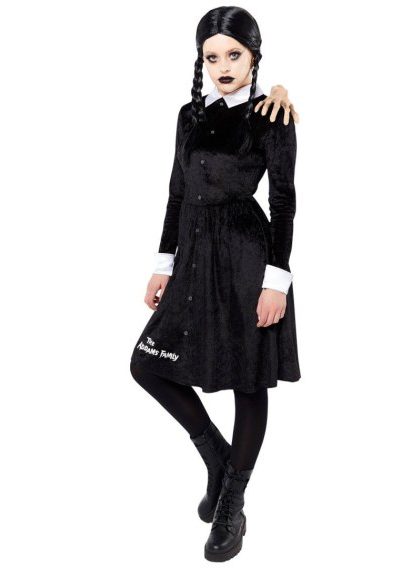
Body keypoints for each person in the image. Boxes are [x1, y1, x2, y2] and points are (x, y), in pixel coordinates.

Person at [130, 6, 301, 562]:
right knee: (146, 365)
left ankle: (233, 499)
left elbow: (283, 202)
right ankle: (217, 459)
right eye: (212, 57)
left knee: (248, 380)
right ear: (200, 61)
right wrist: (163, 263)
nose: (223, 66)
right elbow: (176, 193)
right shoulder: (188, 115)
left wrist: (276, 280)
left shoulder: (271, 115)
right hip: (194, 255)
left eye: (234, 54)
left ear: (253, 57)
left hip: (248, 256)